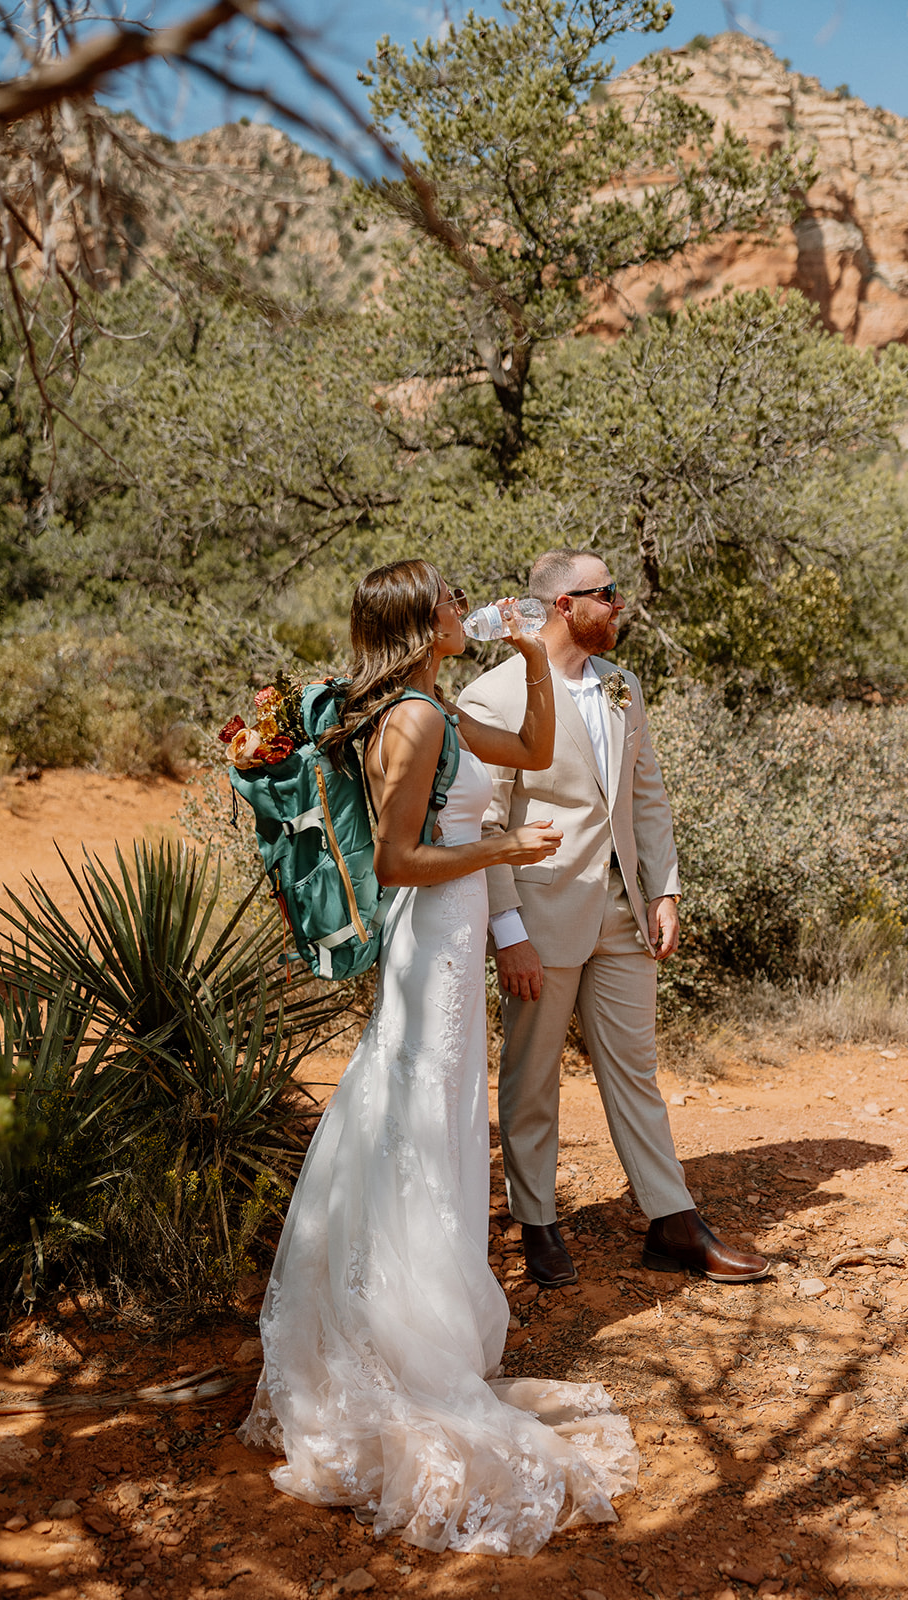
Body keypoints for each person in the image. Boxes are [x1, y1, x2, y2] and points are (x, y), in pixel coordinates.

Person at [239, 559, 641, 1557]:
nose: (467, 608)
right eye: (455, 601)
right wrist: (503, 852)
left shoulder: (435, 706)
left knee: (447, 1116)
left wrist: (526, 651)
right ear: (420, 620)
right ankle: (402, 1337)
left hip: (458, 930)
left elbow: (537, 744)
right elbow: (393, 861)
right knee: (418, 1111)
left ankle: (427, 1316)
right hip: (433, 935)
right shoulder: (414, 721)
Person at [459, 549, 769, 1289]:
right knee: (531, 1078)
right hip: (538, 915)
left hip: (624, 910)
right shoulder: (492, 697)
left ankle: (671, 1222)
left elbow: (646, 796)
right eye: (606, 594)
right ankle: (536, 1223)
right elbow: (485, 823)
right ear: (566, 605)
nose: (619, 603)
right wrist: (508, 931)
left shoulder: (623, 686)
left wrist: (664, 889)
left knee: (635, 1070)